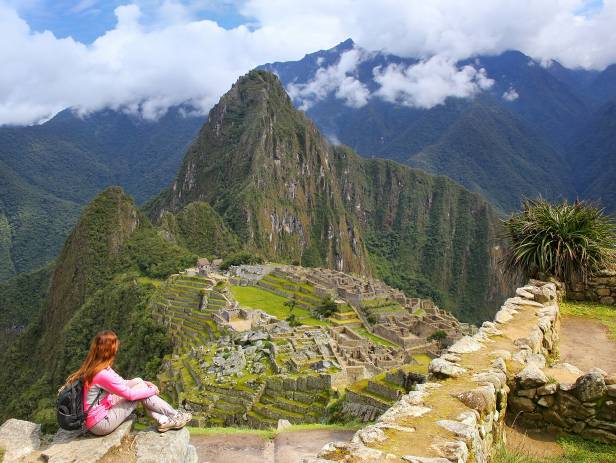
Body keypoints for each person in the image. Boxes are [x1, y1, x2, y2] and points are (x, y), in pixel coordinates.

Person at [65, 330, 191, 435]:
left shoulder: (97, 365)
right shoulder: (101, 374)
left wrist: (145, 383)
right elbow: (130, 395)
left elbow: (122, 382)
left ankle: (163, 420)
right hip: (101, 423)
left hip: (100, 412)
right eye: (115, 344)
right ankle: (174, 416)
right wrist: (152, 390)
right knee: (139, 393)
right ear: (110, 349)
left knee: (138, 381)